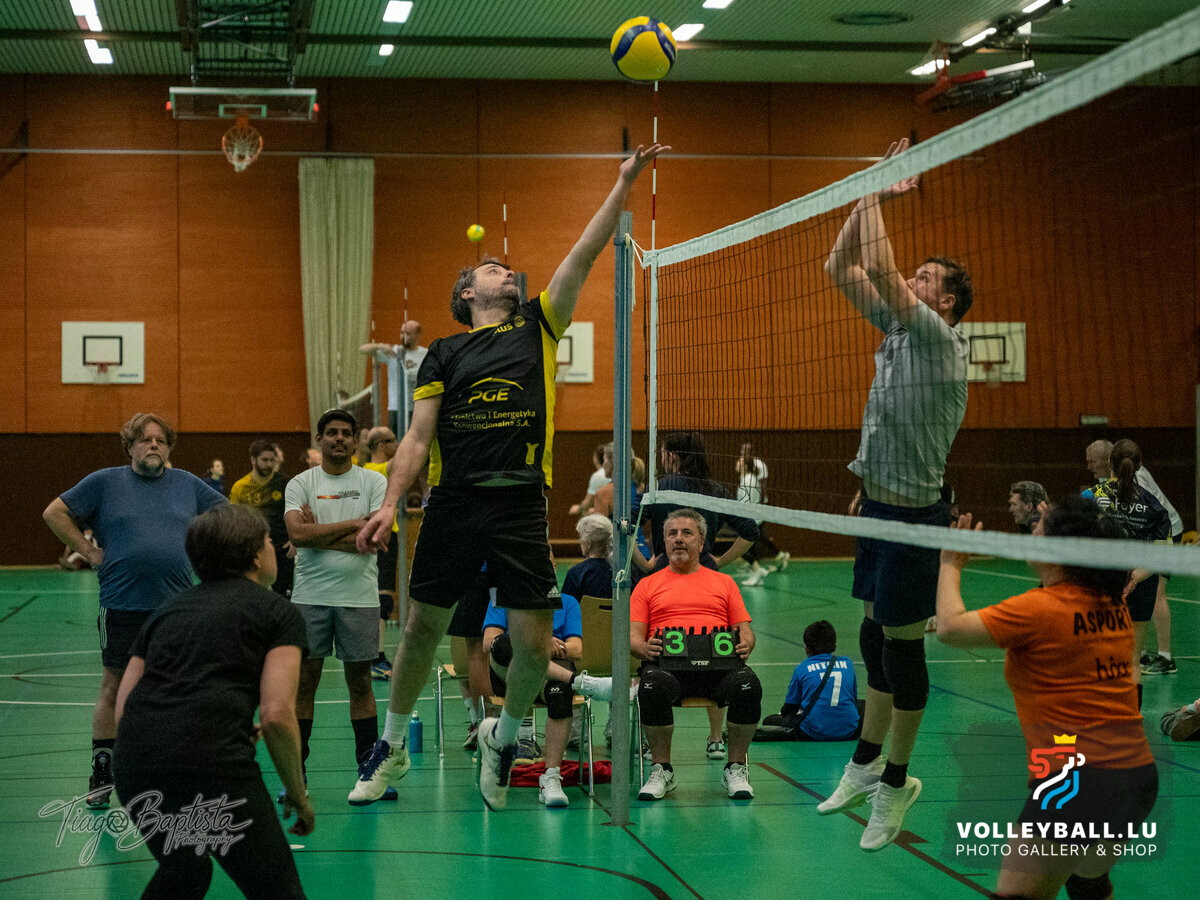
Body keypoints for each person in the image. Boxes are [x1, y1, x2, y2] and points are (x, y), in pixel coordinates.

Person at [348, 142, 668, 811]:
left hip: (521, 503)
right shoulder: (444, 352)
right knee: (422, 628)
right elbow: (417, 436)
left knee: (531, 644)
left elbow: (585, 250)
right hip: (456, 501)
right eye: (493, 269)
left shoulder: (538, 325)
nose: (507, 271)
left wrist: (623, 183)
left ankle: (505, 735)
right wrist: (388, 502)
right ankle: (392, 744)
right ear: (469, 293)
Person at [820, 137, 974, 851]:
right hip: (878, 507)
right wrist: (866, 196)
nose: (910, 279)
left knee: (904, 653)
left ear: (946, 302)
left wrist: (879, 187)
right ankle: (862, 761)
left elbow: (878, 265)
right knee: (872, 636)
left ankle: (897, 782)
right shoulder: (896, 330)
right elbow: (840, 267)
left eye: (925, 278)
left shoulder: (940, 340)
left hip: (913, 519)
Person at [936, 497, 1156, 900]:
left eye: (1037, 528)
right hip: (1135, 778)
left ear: (1056, 549)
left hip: (1078, 781)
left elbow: (949, 628)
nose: (1029, 533)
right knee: (1087, 884)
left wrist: (950, 563)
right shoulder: (1111, 603)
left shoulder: (1039, 609)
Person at [112, 504, 311, 899]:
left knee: (185, 870)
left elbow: (124, 709)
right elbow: (276, 715)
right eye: (269, 541)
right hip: (214, 766)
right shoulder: (278, 612)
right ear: (256, 556)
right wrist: (298, 794)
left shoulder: (166, 611)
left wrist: (211, 722)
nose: (273, 548)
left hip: (135, 764)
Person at [42, 413, 225, 808]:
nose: (153, 445)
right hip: (122, 605)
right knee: (113, 687)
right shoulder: (104, 482)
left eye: (160, 440)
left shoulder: (187, 484)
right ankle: (103, 771)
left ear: (169, 446)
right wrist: (88, 551)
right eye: (144, 439)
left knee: (177, 689)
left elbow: (229, 518)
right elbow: (54, 512)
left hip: (176, 609)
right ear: (129, 447)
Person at [284, 409, 389, 802]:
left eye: (346, 433)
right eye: (331, 432)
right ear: (319, 439)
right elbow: (296, 534)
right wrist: (354, 524)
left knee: (360, 683)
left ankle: (368, 772)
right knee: (304, 685)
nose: (339, 438)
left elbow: (377, 541)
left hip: (358, 598)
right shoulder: (301, 483)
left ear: (356, 440)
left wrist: (317, 534)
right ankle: (296, 777)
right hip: (308, 598)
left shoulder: (374, 481)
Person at [626, 508, 761, 802]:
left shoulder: (724, 583)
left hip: (717, 671)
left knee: (747, 685)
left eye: (687, 533)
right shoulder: (647, 585)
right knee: (651, 686)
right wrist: (644, 648)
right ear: (663, 542)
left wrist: (746, 644)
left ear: (702, 543)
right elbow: (632, 638)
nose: (678, 539)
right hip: (669, 670)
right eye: (672, 534)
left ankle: (736, 768)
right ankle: (661, 769)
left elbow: (745, 631)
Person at [1087, 439, 1170, 705]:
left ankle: (1100, 713)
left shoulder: (1090, 497)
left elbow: (1072, 538)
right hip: (1141, 585)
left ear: (1109, 462)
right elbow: (1161, 556)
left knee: (1099, 654)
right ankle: (1131, 720)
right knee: (1133, 659)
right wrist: (1134, 578)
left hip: (1101, 583)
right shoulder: (1155, 507)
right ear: (1139, 465)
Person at [482, 586, 582, 808]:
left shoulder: (567, 602)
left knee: (560, 693)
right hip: (510, 672)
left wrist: (546, 648)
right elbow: (489, 642)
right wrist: (538, 646)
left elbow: (576, 649)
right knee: (504, 645)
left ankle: (551, 777)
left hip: (550, 674)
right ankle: (578, 681)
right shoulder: (503, 598)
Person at [754, 620, 862, 742]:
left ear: (807, 648)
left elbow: (790, 706)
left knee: (770, 720)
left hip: (813, 731)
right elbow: (853, 698)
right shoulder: (848, 664)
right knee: (861, 705)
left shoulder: (802, 668)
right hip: (849, 731)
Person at [230, 439, 294, 598]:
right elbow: (234, 520)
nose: (269, 464)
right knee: (251, 595)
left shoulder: (285, 484)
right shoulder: (240, 487)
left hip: (281, 549)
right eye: (264, 460)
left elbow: (297, 512)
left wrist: (294, 539)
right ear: (253, 460)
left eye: (272, 460)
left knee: (283, 596)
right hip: (251, 549)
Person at [362, 426, 401, 680]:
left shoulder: (365, 470)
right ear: (381, 446)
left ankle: (374, 656)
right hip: (382, 537)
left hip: (383, 535)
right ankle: (376, 658)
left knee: (379, 599)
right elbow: (407, 456)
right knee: (381, 601)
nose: (396, 444)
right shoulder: (377, 470)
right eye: (393, 440)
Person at [361, 319, 429, 436]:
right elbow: (363, 349)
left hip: (416, 407)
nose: (403, 336)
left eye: (407, 333)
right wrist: (381, 345)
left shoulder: (425, 354)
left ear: (417, 334)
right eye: (401, 333)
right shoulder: (393, 352)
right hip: (395, 407)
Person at [735, 442, 789, 587]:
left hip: (751, 518)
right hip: (751, 517)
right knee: (749, 545)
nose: (737, 465)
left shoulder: (748, 480)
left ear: (745, 466)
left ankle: (757, 569)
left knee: (741, 547)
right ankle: (756, 570)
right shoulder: (748, 478)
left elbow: (747, 501)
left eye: (740, 464)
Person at [569, 443, 612, 516]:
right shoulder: (614, 473)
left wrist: (578, 509)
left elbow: (588, 503)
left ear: (595, 458)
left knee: (584, 515)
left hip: (608, 516)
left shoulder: (598, 476)